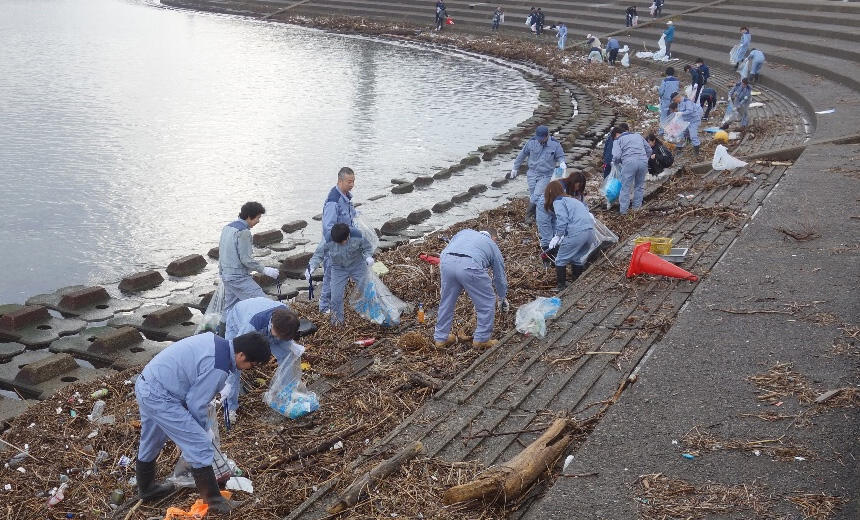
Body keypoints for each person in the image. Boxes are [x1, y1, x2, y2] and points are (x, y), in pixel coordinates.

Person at [134, 331, 270, 513]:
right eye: (251, 365)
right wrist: (203, 429)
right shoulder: (219, 367)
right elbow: (196, 403)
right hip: (161, 396)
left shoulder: (216, 341)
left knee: (152, 439)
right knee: (200, 445)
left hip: (147, 383)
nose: (249, 369)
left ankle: (146, 488)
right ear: (241, 355)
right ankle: (214, 502)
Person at [222, 298, 301, 417]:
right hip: (239, 317)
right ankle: (230, 407)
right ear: (273, 326)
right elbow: (236, 352)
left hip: (267, 320)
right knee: (233, 364)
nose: (278, 340)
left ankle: (287, 395)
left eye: (283, 337)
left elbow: (284, 342)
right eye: (277, 336)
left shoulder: (288, 318)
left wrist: (292, 347)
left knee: (288, 357)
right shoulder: (251, 325)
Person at [434, 229, 508, 349]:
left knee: (446, 301)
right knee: (486, 301)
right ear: (493, 238)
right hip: (470, 265)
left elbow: (451, 245)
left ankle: (440, 338)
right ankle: (482, 339)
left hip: (446, 261)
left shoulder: (464, 232)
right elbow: (499, 276)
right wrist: (502, 297)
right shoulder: (492, 245)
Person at [218, 202, 279, 316]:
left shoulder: (227, 228)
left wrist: (221, 272)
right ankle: (271, 330)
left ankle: (223, 332)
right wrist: (265, 270)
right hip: (238, 277)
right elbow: (246, 259)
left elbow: (221, 252)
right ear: (250, 217)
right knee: (263, 303)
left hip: (226, 275)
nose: (258, 221)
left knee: (230, 308)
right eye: (258, 217)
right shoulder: (244, 232)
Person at [307, 223, 373, 325]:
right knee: (335, 297)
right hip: (338, 269)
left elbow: (367, 248)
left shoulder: (357, 235)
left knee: (368, 290)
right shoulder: (328, 239)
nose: (341, 244)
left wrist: (368, 256)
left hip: (357, 265)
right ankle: (337, 322)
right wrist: (311, 267)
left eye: (343, 241)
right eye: (338, 242)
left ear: (348, 235)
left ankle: (373, 314)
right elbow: (318, 255)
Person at [320, 167, 360, 314]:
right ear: (340, 181)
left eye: (353, 181)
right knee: (330, 275)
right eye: (349, 182)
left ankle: (338, 302)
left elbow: (351, 217)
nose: (352, 184)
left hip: (346, 244)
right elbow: (328, 228)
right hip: (334, 246)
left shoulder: (346, 197)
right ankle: (324, 307)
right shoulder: (333, 201)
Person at [544, 181, 594, 291]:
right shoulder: (573, 200)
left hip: (577, 233)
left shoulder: (558, 201)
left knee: (560, 260)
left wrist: (558, 236)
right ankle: (577, 282)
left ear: (550, 192)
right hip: (590, 232)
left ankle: (561, 286)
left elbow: (562, 219)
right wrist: (564, 234)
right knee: (576, 258)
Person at [510, 125, 566, 222]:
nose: (539, 140)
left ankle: (528, 216)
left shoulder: (555, 144)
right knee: (534, 196)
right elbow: (522, 154)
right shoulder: (532, 142)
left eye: (541, 138)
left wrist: (562, 163)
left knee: (537, 195)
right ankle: (537, 216)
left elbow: (560, 156)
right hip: (532, 173)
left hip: (546, 174)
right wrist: (515, 168)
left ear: (547, 136)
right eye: (538, 138)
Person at [611, 123, 651, 215]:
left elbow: (616, 156)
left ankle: (623, 212)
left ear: (616, 134)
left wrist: (616, 164)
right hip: (643, 161)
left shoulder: (618, 140)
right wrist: (645, 158)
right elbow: (649, 149)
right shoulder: (638, 135)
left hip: (629, 163)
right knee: (639, 186)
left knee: (625, 188)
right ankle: (636, 209)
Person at [670, 92, 704, 156]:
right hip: (685, 121)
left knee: (693, 135)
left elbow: (690, 110)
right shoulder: (679, 103)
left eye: (674, 100)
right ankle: (679, 148)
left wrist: (681, 113)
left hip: (693, 121)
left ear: (678, 97)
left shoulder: (687, 101)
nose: (674, 102)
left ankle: (696, 151)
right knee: (679, 134)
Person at [657, 67, 679, 137]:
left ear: (666, 73)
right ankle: (670, 131)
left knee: (663, 116)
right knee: (672, 116)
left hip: (666, 100)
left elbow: (661, 92)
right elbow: (677, 90)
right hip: (673, 100)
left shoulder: (665, 81)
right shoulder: (676, 81)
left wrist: (660, 96)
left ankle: (661, 131)